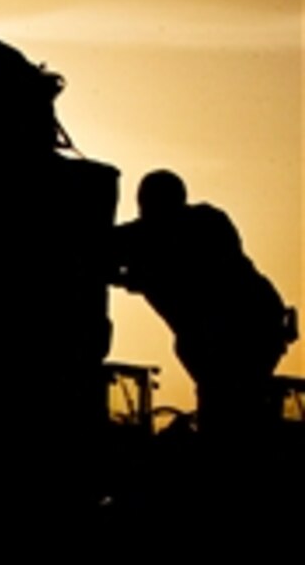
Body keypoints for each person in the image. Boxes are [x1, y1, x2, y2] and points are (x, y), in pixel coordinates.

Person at [113, 170, 294, 436]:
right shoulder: (164, 232)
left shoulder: (201, 225)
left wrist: (131, 276)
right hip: (253, 328)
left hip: (248, 329)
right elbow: (121, 245)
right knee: (226, 401)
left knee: (228, 403)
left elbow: (174, 264)